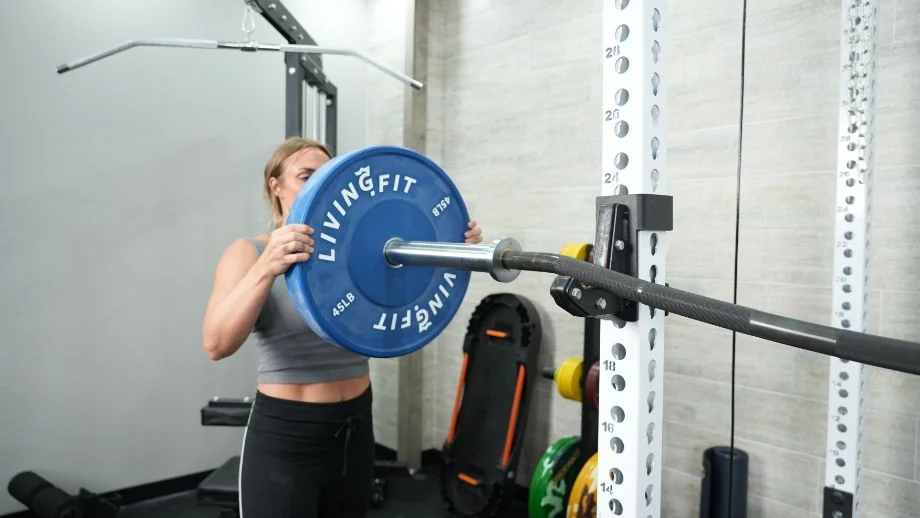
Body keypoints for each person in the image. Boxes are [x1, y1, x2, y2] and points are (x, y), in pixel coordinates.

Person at [201, 137, 483, 518]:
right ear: (276, 186)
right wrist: (267, 267)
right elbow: (216, 343)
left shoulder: (357, 253)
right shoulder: (249, 252)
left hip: (355, 429)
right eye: (306, 176)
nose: (319, 186)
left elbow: (413, 295)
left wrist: (451, 245)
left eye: (328, 177)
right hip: (287, 436)